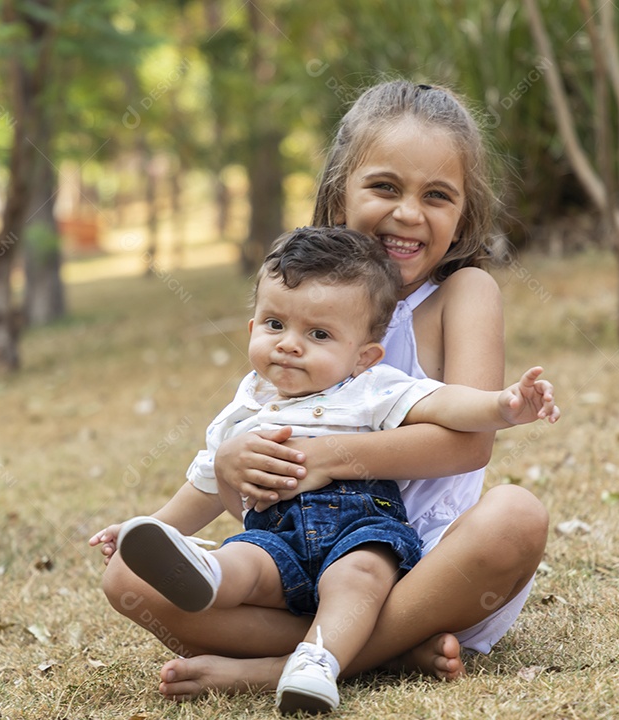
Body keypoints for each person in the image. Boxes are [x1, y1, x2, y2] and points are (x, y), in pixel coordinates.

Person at [99, 79, 551, 700]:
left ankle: (278, 666)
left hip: (431, 564)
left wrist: (326, 459)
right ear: (340, 194)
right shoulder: (304, 304)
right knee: (127, 580)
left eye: (437, 195)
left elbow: (470, 445)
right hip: (299, 563)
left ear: (463, 214)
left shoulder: (463, 294)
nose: (409, 214)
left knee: (517, 517)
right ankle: (373, 652)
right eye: (385, 187)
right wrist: (227, 467)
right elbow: (249, 459)